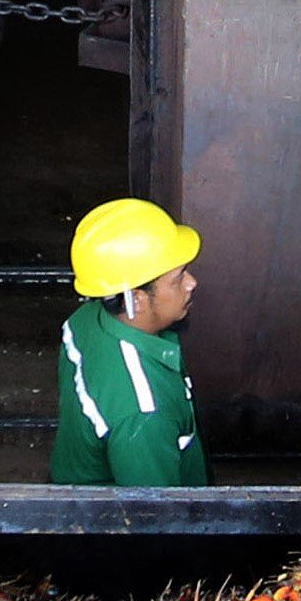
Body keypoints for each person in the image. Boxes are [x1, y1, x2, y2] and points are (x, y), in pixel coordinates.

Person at [51, 197, 207, 487]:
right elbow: (157, 516)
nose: (191, 283)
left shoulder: (83, 321)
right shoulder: (145, 413)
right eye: (177, 278)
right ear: (135, 298)